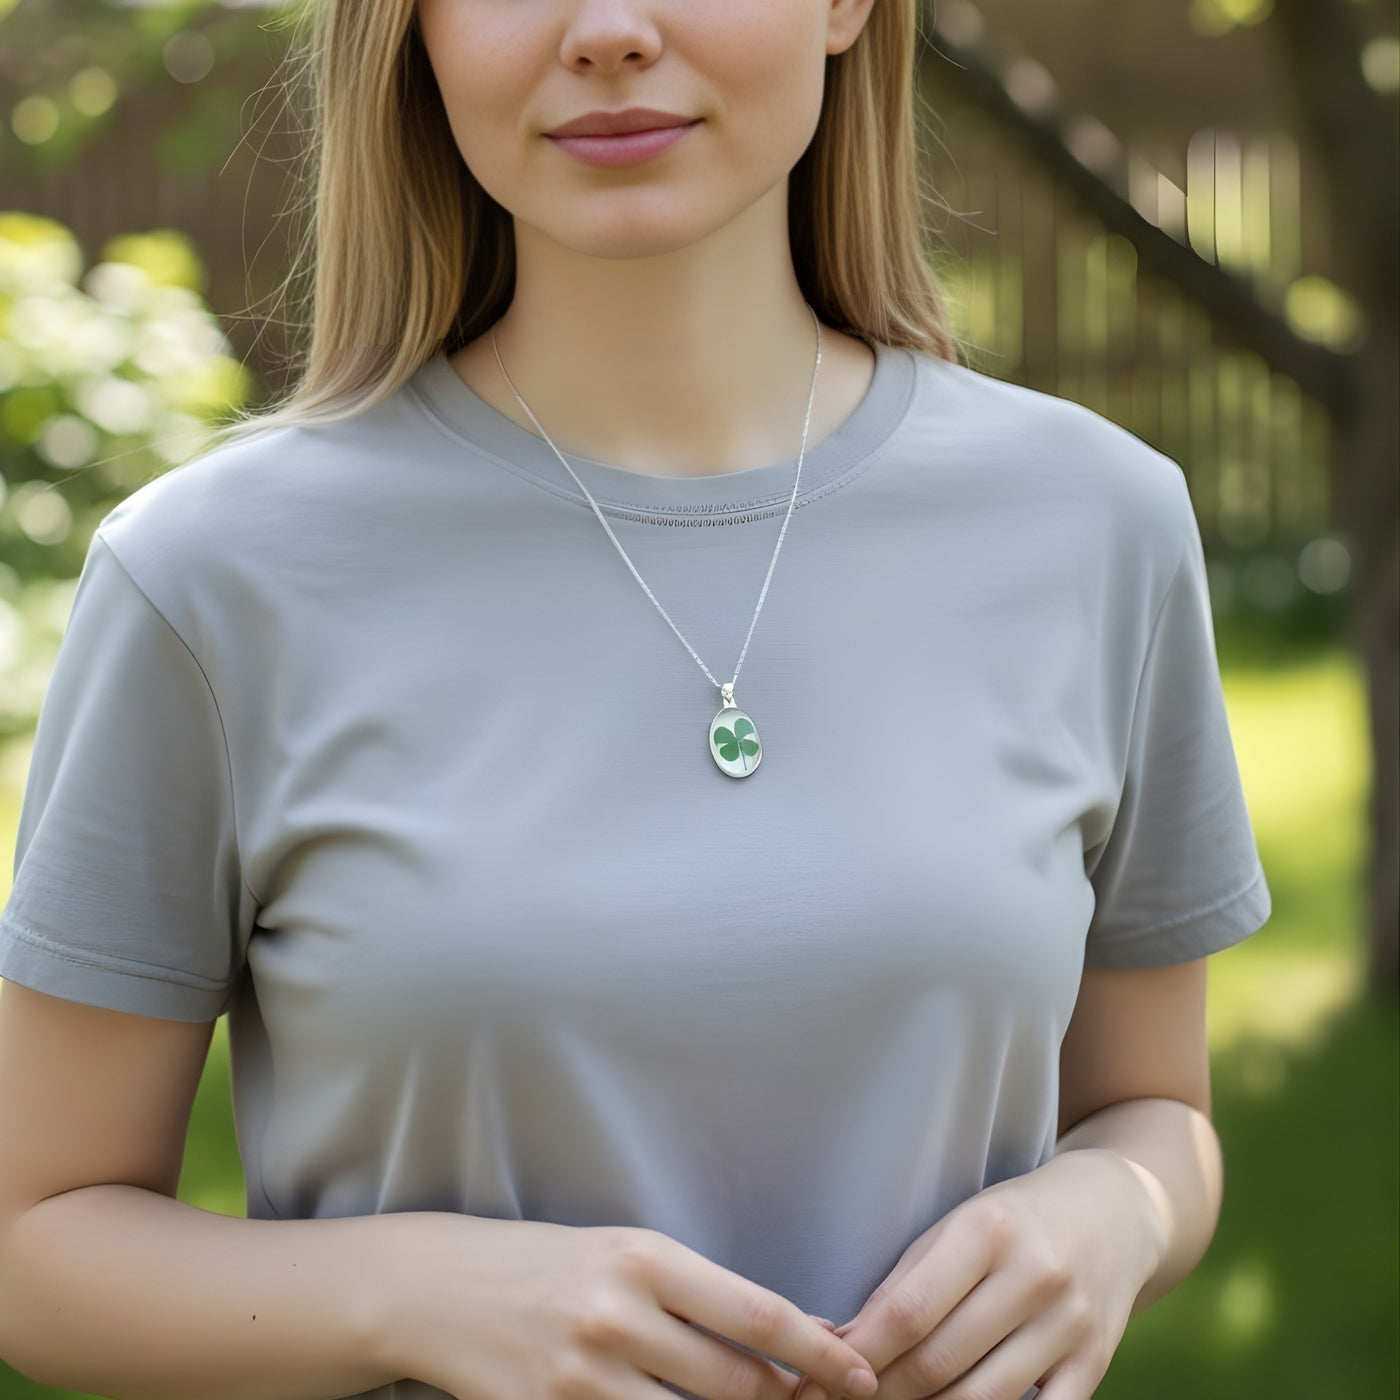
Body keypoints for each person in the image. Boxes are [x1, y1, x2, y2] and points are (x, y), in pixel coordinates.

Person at [0, 2, 1272, 1398]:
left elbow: (1156, 1113)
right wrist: (409, 1298)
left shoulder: (1097, 523)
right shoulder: (210, 579)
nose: (607, 31)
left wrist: (1109, 1215)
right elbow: (33, 1242)